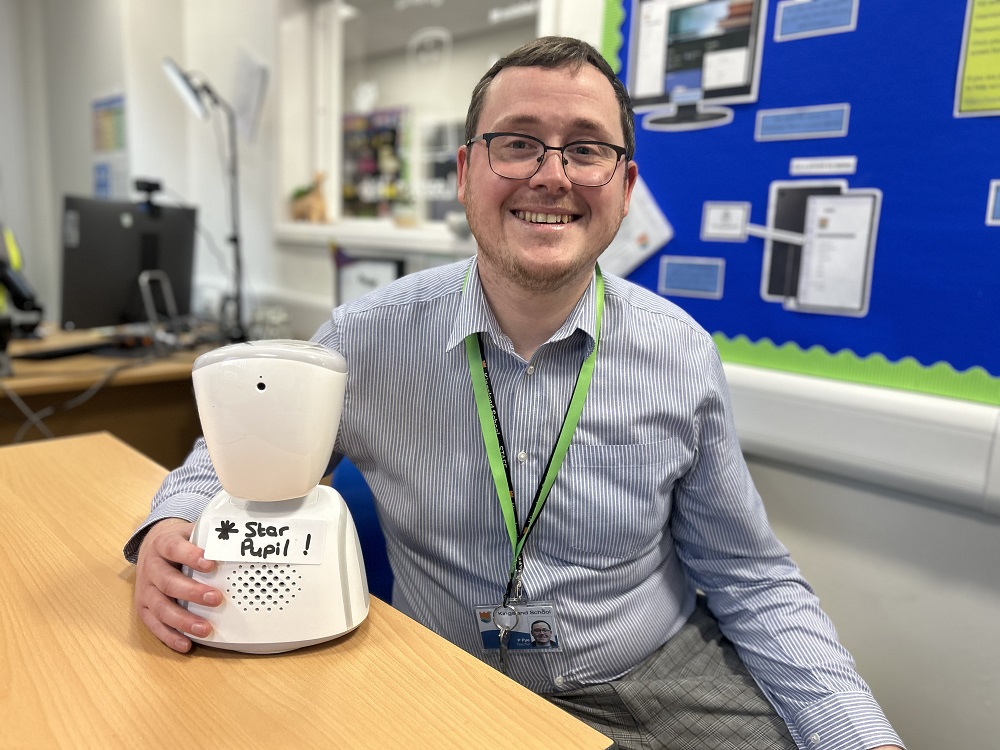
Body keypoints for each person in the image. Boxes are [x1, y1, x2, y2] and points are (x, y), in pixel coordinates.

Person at [126, 36, 904, 750]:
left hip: (655, 679)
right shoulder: (363, 339)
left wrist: (861, 738)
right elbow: (227, 465)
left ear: (624, 186)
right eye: (518, 143)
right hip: (448, 681)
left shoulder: (680, 354)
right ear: (465, 173)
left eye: (588, 149)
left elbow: (748, 574)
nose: (552, 175)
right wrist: (169, 526)